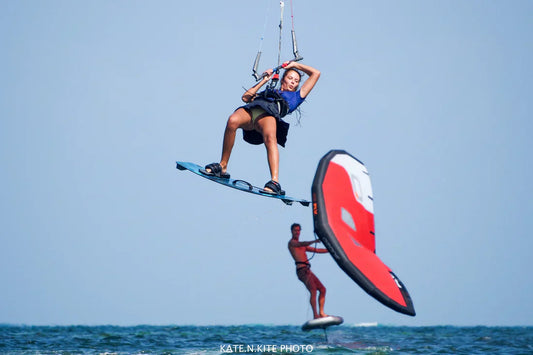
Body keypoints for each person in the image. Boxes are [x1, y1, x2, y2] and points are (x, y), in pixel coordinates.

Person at [200, 61, 320, 195]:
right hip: (253, 110)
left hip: (269, 115)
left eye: (296, 81)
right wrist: (264, 80)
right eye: (290, 78)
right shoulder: (270, 90)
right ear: (283, 79)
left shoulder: (298, 96)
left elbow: (316, 73)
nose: (293, 82)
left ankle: (275, 181)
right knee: (232, 121)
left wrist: (294, 65)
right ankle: (223, 166)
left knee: (270, 138)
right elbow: (246, 97)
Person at [287, 223, 329, 319]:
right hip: (302, 271)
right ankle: (315, 315)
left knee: (322, 289)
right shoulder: (292, 243)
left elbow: (317, 250)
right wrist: (314, 241)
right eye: (295, 230)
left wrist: (330, 250)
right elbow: (302, 243)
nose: (297, 232)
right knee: (313, 290)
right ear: (291, 231)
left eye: (298, 230)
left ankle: (321, 313)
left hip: (308, 270)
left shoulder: (303, 246)